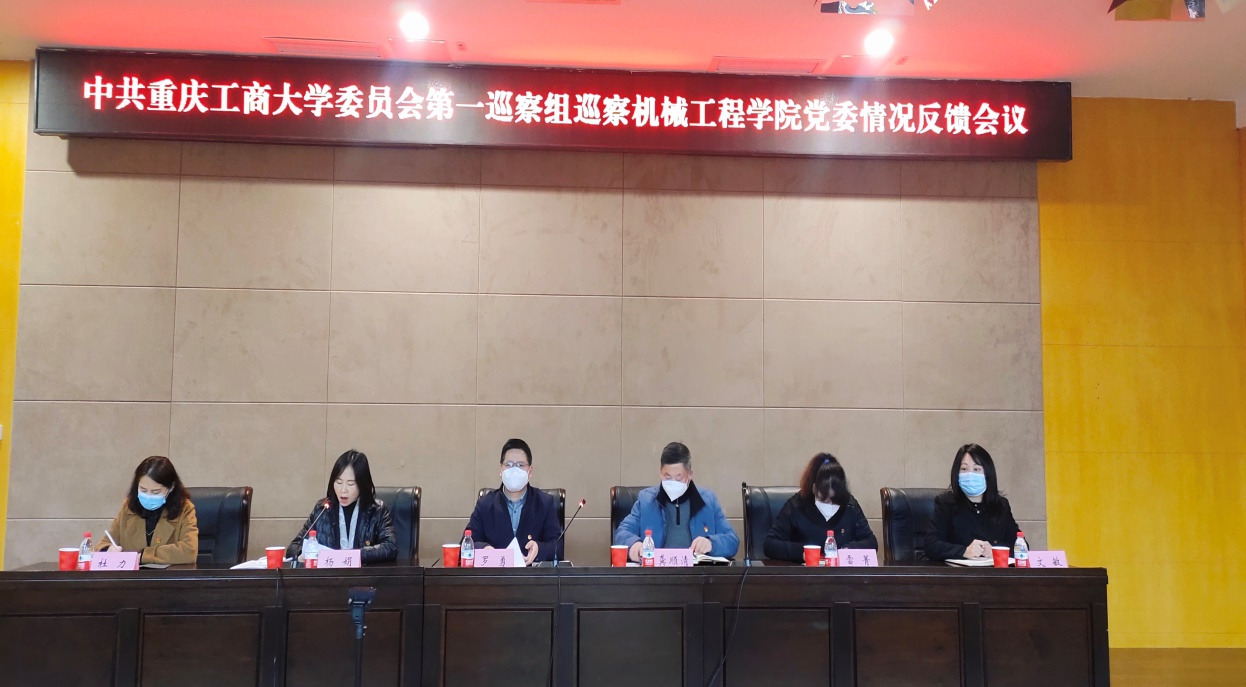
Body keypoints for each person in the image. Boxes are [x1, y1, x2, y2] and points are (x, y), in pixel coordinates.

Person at [613, 441, 739, 562]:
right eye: (667, 477)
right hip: (657, 574)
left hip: (697, 574)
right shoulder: (646, 500)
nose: (673, 483)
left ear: (690, 474)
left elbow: (732, 541)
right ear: (660, 472)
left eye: (678, 478)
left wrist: (711, 543)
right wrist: (634, 545)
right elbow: (621, 533)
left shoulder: (708, 501)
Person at [286, 450, 397, 565]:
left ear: (362, 484)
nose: (343, 490)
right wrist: (307, 554)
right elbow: (293, 548)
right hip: (329, 575)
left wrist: (352, 556)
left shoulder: (377, 511)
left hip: (364, 575)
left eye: (350, 484)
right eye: (339, 483)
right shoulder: (323, 509)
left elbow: (390, 547)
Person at [763, 453, 877, 562]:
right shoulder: (797, 505)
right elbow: (770, 544)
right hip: (806, 572)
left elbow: (871, 542)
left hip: (840, 572)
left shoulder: (849, 505)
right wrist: (802, 552)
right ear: (813, 487)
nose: (830, 502)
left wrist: (849, 550)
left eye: (834, 498)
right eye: (824, 497)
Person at [466, 438, 562, 565]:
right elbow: (466, 543)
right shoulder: (485, 504)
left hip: (532, 575)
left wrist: (539, 549)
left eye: (520, 465)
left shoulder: (544, 503)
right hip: (495, 575)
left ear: (530, 471)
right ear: (501, 470)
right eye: (509, 465)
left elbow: (557, 546)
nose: (514, 470)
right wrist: (484, 549)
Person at [924, 443, 1022, 562]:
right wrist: (964, 551)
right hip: (958, 572)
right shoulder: (945, 503)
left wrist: (994, 549)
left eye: (976, 469)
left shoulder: (1001, 506)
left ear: (987, 474)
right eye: (964, 469)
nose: (970, 474)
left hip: (992, 572)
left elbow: (1021, 547)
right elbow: (931, 545)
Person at [97, 455, 198, 565]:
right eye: (143, 490)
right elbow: (103, 545)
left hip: (168, 575)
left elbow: (189, 551)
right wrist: (108, 550)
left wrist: (143, 556)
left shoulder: (184, 509)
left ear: (171, 487)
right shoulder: (128, 507)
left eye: (155, 492)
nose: (148, 496)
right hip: (131, 575)